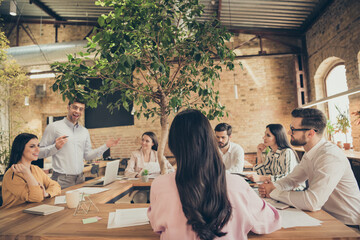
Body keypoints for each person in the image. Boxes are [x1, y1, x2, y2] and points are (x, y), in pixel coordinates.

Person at [148, 109, 281, 240]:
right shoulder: (237, 185)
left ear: (172, 145)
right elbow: (271, 221)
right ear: (211, 141)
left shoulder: (160, 185)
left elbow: (155, 224)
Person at [259, 108, 360, 227]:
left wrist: (274, 192)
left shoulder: (330, 156)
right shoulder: (310, 153)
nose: (289, 132)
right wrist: (273, 187)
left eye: (293, 129)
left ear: (310, 133)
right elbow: (292, 180)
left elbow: (313, 201)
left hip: (348, 225)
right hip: (325, 217)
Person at [38, 99, 120, 189]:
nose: (77, 111)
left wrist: (106, 146)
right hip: (61, 179)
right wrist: (55, 147)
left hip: (80, 178)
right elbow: (39, 153)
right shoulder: (54, 127)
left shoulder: (84, 131)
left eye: (81, 109)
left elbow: (87, 156)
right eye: (75, 107)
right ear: (68, 107)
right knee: (59, 203)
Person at [1, 133, 61, 209]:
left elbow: (56, 186)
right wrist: (27, 173)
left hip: (33, 212)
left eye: (38, 146)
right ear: (21, 149)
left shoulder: (36, 169)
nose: (37, 149)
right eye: (32, 146)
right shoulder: (12, 174)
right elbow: (37, 198)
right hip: (13, 217)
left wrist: (47, 194)